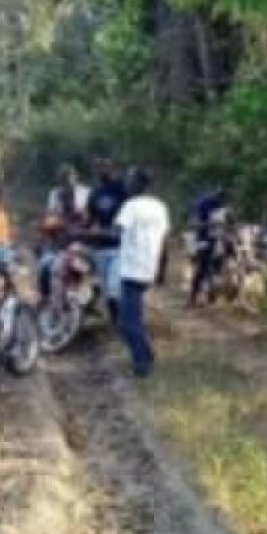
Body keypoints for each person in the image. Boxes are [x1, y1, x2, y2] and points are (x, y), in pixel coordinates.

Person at [115, 169, 171, 379]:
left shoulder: (130, 206)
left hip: (131, 269)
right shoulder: (160, 207)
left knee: (128, 322)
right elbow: (165, 241)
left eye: (129, 180)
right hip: (149, 268)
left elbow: (115, 233)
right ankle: (146, 354)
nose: (126, 184)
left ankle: (142, 362)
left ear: (137, 184)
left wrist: (82, 234)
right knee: (133, 319)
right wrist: (162, 271)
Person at [84, 161, 129, 321]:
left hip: (120, 245)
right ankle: (114, 319)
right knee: (106, 288)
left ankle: (121, 321)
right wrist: (81, 231)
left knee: (113, 287)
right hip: (101, 246)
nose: (102, 171)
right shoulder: (95, 193)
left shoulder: (121, 189)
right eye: (99, 168)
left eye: (106, 168)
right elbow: (90, 218)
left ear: (113, 170)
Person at [187, 187, 231, 308]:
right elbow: (194, 224)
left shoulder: (224, 207)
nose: (222, 206)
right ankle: (193, 297)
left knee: (218, 266)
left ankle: (212, 294)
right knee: (202, 267)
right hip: (203, 239)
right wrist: (211, 224)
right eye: (221, 203)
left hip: (218, 239)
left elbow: (230, 222)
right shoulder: (202, 204)